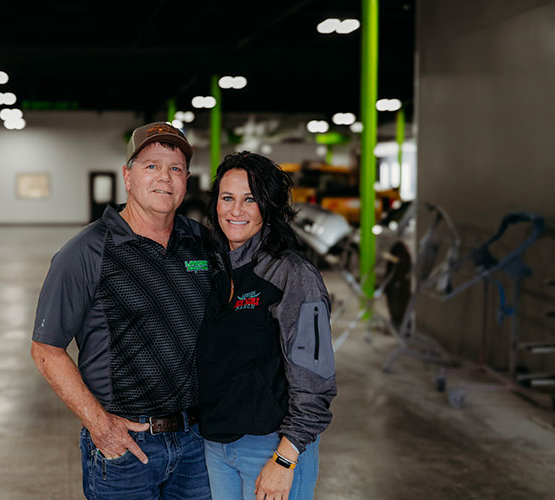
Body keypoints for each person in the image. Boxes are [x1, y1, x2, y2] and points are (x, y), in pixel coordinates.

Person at [31, 122, 213, 500]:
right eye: (151, 166)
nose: (165, 177)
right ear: (127, 177)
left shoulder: (201, 242)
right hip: (125, 447)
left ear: (187, 180)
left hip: (197, 442)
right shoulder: (85, 252)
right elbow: (46, 349)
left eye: (176, 168)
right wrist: (99, 425)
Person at [197, 152, 337, 500]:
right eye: (227, 198)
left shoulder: (292, 275)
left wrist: (285, 459)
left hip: (271, 449)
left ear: (268, 206)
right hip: (217, 446)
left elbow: (315, 379)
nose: (236, 210)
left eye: (250, 199)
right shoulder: (212, 267)